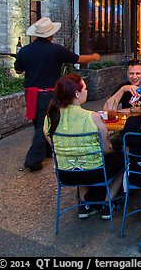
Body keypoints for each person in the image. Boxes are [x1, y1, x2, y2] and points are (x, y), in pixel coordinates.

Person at [14, 17, 101, 172]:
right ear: (50, 35)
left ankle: (47, 151)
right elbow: (78, 59)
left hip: (31, 94)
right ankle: (32, 160)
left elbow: (18, 70)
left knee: (39, 122)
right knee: (43, 124)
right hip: (48, 93)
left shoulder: (25, 50)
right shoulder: (55, 50)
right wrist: (93, 56)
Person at [44, 73, 124, 219]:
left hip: (65, 174)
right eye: (85, 88)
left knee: (75, 157)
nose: (86, 91)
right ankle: (108, 202)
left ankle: (84, 204)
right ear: (76, 93)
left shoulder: (50, 117)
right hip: (94, 172)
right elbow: (107, 149)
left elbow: (54, 147)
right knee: (123, 157)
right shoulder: (92, 117)